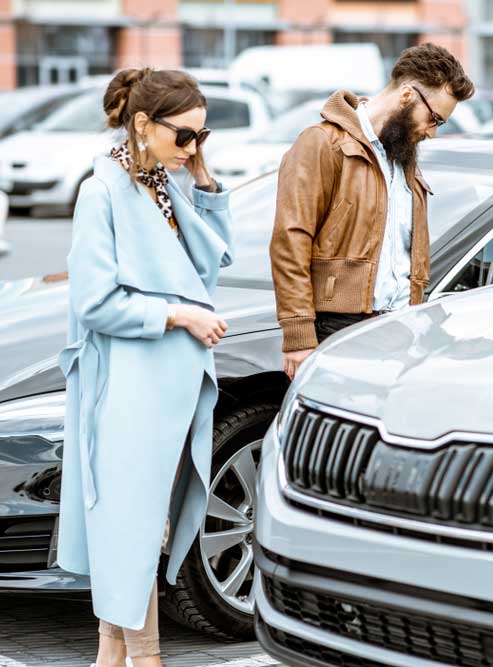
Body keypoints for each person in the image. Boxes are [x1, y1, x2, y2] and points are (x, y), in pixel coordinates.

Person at [56, 67, 234, 667]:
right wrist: (178, 317)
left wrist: (205, 182)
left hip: (172, 387)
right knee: (129, 529)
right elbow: (94, 302)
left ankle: (112, 656)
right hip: (129, 385)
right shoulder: (101, 190)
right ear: (141, 124)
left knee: (145, 527)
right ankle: (146, 658)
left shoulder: (165, 182)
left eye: (201, 138)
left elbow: (207, 270)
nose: (192, 148)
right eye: (185, 136)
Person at [270, 43, 475, 379]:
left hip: (400, 329)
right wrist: (298, 336)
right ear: (408, 95)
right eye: (434, 118)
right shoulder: (323, 143)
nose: (432, 132)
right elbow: (290, 240)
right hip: (337, 327)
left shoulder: (403, 157)